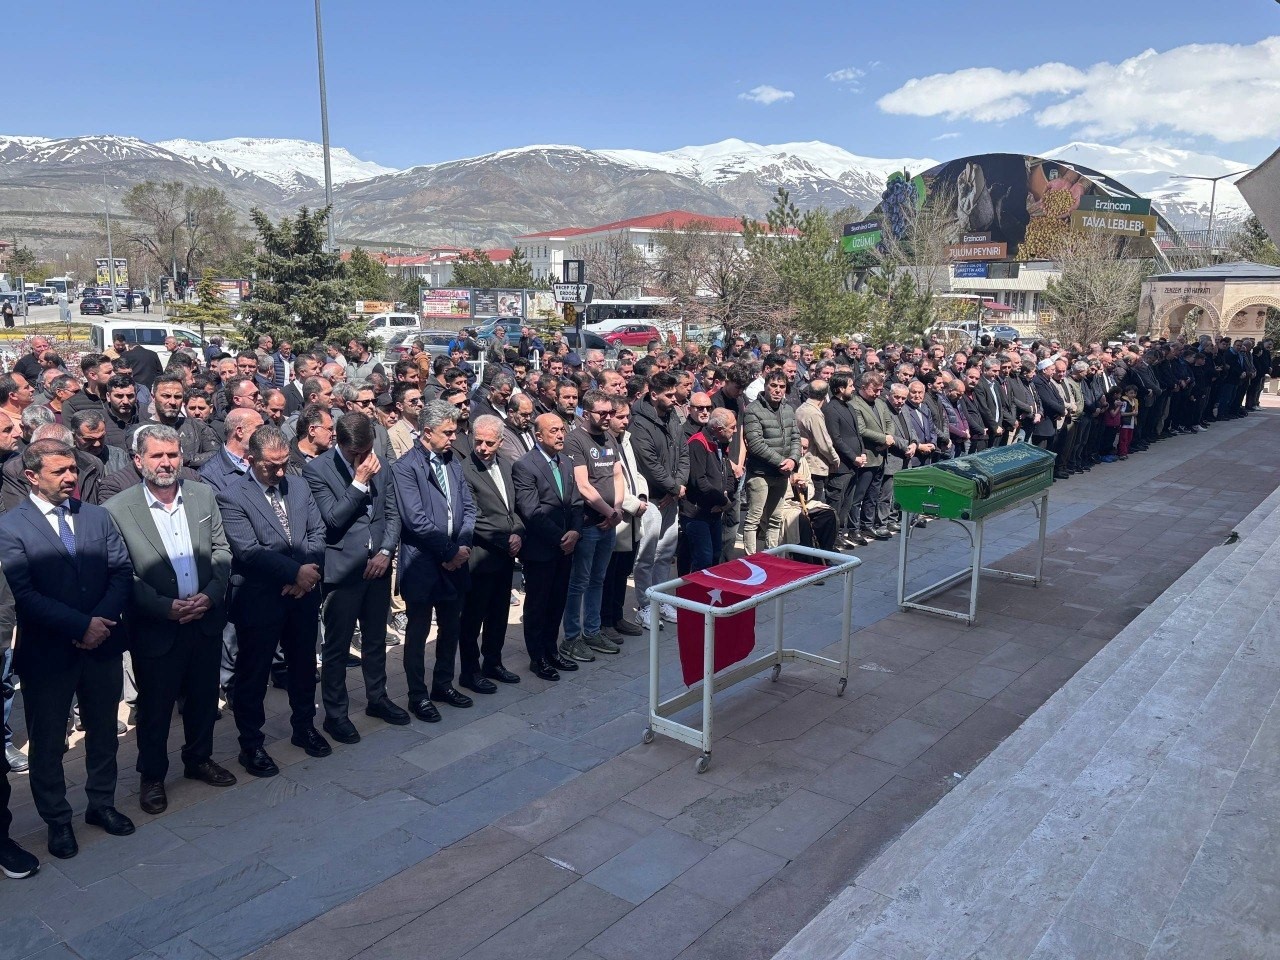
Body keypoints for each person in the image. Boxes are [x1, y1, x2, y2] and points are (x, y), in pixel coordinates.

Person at [0, 439, 134, 860]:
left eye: (72, 470)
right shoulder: (10, 527)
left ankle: (102, 804)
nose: (70, 478)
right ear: (31, 476)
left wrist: (98, 624)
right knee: (49, 740)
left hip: (101, 646)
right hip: (48, 654)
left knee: (103, 732)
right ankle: (57, 820)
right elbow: (24, 593)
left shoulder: (96, 516)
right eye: (59, 472)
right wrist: (80, 626)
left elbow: (121, 572)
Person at [102, 426, 236, 816]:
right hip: (157, 627)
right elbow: (122, 573)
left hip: (204, 619)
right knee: (156, 708)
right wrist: (165, 607)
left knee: (202, 698)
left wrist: (209, 596)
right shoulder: (118, 509)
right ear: (138, 460)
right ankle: (153, 776)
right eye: (157, 456)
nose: (166, 463)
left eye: (172, 455)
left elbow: (222, 551)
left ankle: (198, 759)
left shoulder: (201, 494)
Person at [217, 426, 329, 778]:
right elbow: (248, 550)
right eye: (271, 467)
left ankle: (304, 726)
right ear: (251, 460)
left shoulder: (297, 485)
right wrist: (296, 573)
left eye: (284, 464)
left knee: (302, 666)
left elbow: (317, 533)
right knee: (254, 675)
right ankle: (251, 744)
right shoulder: (232, 495)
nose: (280, 473)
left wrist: (306, 575)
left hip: (302, 596)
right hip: (261, 598)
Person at [304, 412, 410, 744]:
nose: (363, 459)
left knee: (376, 639)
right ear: (339, 442)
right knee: (337, 647)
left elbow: (391, 512)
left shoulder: (379, 462)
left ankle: (377, 697)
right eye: (355, 453)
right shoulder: (316, 470)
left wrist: (386, 551)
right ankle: (336, 714)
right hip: (343, 571)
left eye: (366, 451)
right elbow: (332, 520)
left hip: (377, 566)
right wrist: (359, 481)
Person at [392, 400, 477, 722]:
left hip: (456, 559)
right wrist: (449, 552)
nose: (454, 438)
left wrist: (464, 545)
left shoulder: (452, 461)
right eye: (447, 432)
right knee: (417, 633)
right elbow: (415, 520)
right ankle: (418, 695)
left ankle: (443, 683)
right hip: (424, 564)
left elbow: (468, 507)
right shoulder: (406, 467)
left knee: (451, 627)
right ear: (427, 432)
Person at [513, 414, 583, 681]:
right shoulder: (525, 466)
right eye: (553, 431)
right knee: (538, 604)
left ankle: (552, 650)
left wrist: (575, 532)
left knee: (557, 601)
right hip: (542, 548)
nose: (560, 435)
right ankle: (537, 657)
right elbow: (532, 511)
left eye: (562, 429)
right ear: (539, 436)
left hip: (566, 546)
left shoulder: (565, 461)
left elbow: (575, 502)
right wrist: (561, 538)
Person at [457, 415, 524, 691]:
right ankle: (470, 671)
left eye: (489, 442)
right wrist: (506, 538)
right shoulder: (465, 470)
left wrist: (518, 532)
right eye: (478, 441)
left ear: (501, 441)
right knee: (473, 617)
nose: (482, 448)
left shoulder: (507, 466)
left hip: (504, 556)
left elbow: (515, 508)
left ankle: (493, 662)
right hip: (481, 556)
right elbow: (474, 516)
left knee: (498, 614)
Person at [561, 391, 624, 662]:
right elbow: (583, 485)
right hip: (588, 523)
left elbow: (618, 474)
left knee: (598, 579)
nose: (608, 417)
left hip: (608, 523)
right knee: (579, 582)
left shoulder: (609, 437)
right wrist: (609, 512)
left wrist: (618, 510)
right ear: (585, 413)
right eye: (602, 413)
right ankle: (572, 638)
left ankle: (593, 631)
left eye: (610, 412)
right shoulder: (576, 440)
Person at [628, 372, 687, 629]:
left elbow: (682, 451)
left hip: (671, 497)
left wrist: (678, 488)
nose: (675, 400)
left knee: (665, 553)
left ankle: (660, 599)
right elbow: (648, 463)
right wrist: (672, 487)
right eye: (669, 395)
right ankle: (644, 604)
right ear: (654, 394)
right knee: (646, 556)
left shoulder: (672, 416)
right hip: (651, 499)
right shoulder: (638, 422)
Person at [742, 370, 800, 554]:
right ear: (766, 386)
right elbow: (755, 444)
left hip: (781, 474)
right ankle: (751, 559)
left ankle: (771, 556)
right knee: (754, 518)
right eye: (773, 386)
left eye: (781, 387)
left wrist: (793, 460)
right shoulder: (753, 410)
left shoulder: (788, 409)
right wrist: (783, 462)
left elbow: (796, 438)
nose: (777, 390)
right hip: (760, 473)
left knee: (776, 518)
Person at [683, 408, 736, 572]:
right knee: (702, 558)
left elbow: (728, 475)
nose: (735, 430)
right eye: (732, 427)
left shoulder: (720, 443)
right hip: (697, 513)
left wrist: (725, 498)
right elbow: (699, 481)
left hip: (715, 510)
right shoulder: (698, 443)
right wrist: (723, 501)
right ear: (719, 429)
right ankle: (693, 595)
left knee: (715, 555)